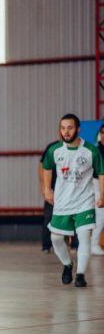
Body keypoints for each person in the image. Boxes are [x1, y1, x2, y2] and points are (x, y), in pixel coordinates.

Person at [42, 113, 104, 287]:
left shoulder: (91, 150)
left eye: (69, 128)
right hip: (62, 202)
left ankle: (80, 275)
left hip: (84, 201)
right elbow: (46, 167)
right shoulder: (55, 150)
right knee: (55, 238)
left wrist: (102, 195)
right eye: (63, 128)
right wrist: (47, 189)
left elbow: (101, 172)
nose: (66, 132)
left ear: (78, 129)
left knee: (84, 237)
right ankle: (67, 265)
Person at [92, 124, 104, 255]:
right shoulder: (96, 150)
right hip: (97, 184)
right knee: (100, 216)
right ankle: (93, 245)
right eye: (102, 132)